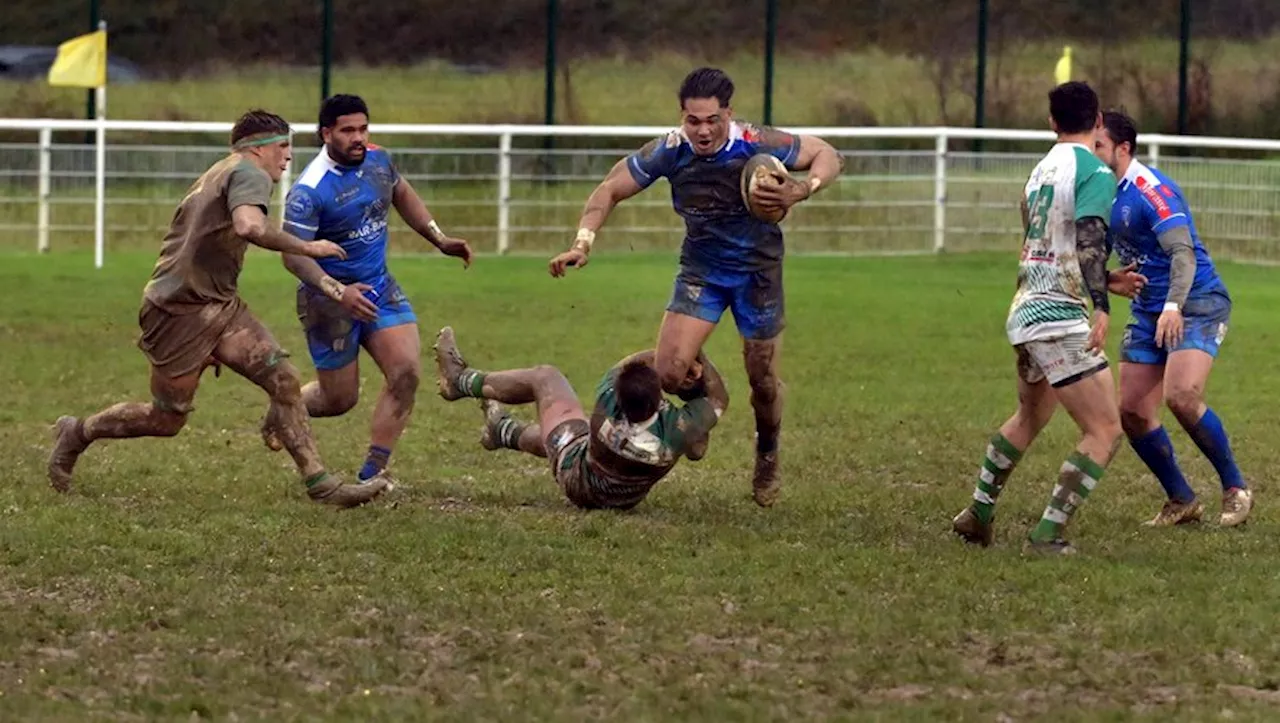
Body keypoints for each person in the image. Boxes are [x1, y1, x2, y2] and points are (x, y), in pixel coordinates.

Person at [47, 109, 389, 507]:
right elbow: (249, 226)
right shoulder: (249, 173)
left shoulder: (225, 169)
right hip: (177, 311)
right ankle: (78, 432)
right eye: (282, 147)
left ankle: (321, 484)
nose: (287, 157)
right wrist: (307, 246)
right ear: (258, 149)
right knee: (166, 418)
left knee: (284, 380)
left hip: (220, 305)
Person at [546, 67, 843, 507]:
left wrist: (801, 189)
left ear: (729, 114)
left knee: (762, 381)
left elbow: (828, 154)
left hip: (758, 275)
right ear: (682, 117)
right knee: (668, 371)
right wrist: (582, 243)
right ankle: (702, 410)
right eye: (693, 120)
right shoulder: (670, 150)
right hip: (702, 271)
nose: (703, 131)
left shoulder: (756, 142)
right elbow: (610, 188)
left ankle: (767, 455)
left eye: (712, 120)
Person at [951, 82, 1123, 554]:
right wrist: (1102, 306)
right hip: (1058, 317)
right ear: (1099, 120)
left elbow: (1049, 246)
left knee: (1030, 415)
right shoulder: (1095, 171)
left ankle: (978, 513)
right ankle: (1047, 534)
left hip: (1025, 308)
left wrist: (1104, 280)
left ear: (1052, 122)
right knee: (1105, 430)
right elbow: (1087, 240)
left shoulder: (1039, 171)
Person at [279, 94, 474, 482]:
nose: (358, 138)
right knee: (339, 400)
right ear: (326, 134)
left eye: (363, 128)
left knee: (405, 373)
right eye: (348, 130)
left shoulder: (378, 159)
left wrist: (438, 238)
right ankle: (282, 408)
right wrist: (338, 291)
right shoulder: (309, 190)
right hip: (328, 300)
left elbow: (400, 191)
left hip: (379, 288)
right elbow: (293, 256)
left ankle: (373, 472)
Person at [1093, 109, 1253, 527]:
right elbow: (1102, 252)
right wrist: (1108, 279)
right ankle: (1181, 499)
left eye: (1098, 146)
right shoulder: (1102, 190)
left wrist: (1172, 305)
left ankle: (1236, 488)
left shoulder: (1151, 190)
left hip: (1195, 299)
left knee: (1181, 395)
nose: (1091, 152)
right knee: (1131, 411)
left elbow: (1182, 253)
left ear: (1122, 149)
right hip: (1149, 307)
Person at [431, 326, 728, 510]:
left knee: (546, 378)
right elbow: (717, 399)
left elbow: (626, 366)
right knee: (569, 432)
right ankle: (502, 430)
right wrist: (694, 355)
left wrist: (660, 354)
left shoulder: (608, 403)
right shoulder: (676, 432)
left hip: (579, 478)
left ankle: (460, 382)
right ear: (659, 399)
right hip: (625, 497)